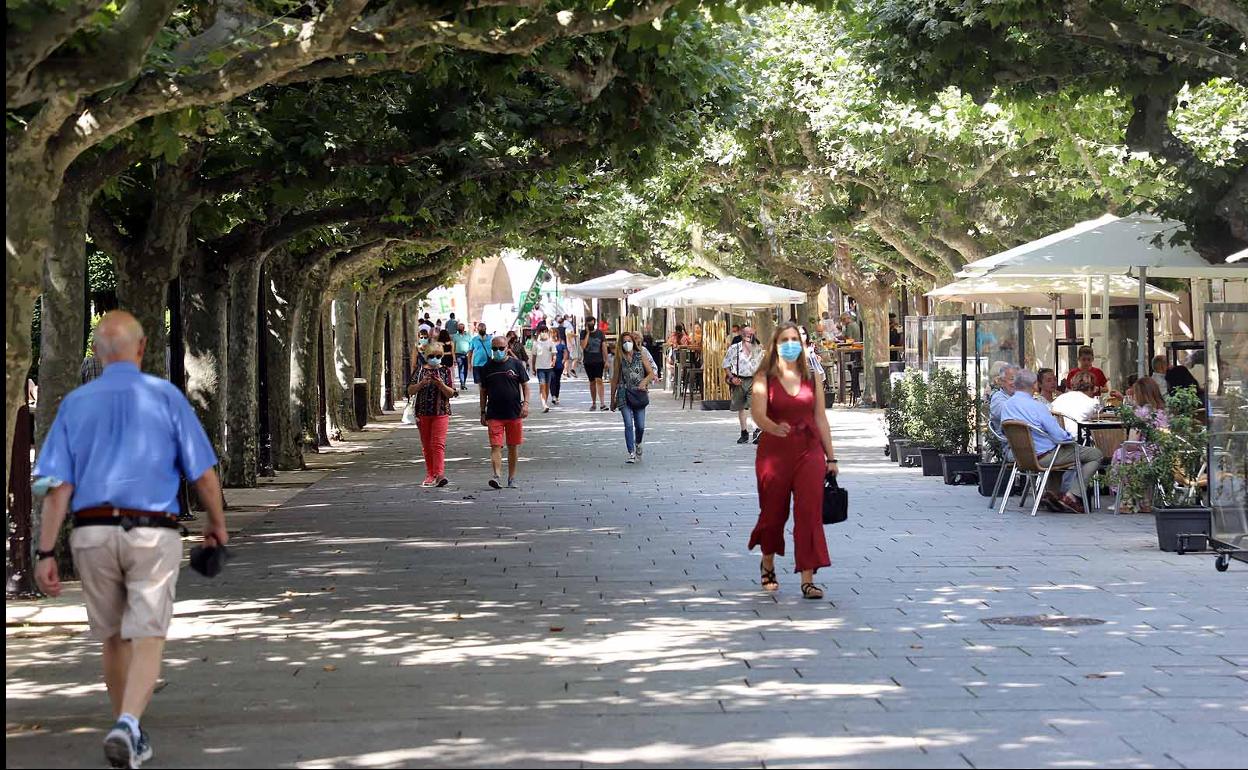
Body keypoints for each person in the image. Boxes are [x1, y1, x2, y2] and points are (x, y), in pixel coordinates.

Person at [32, 311, 228, 770]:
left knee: (113, 636)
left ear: (96, 353)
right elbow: (202, 474)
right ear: (142, 348)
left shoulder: (75, 404)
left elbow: (57, 487)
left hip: (92, 532)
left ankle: (127, 726)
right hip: (152, 532)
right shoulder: (166, 397)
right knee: (149, 632)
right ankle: (128, 724)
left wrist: (45, 551)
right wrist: (216, 523)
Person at [749, 322, 839, 600]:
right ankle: (767, 562)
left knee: (809, 514)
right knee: (773, 514)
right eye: (784, 340)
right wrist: (773, 427)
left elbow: (820, 418)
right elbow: (757, 413)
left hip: (809, 451)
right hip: (774, 454)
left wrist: (831, 457)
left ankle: (807, 579)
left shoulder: (812, 377)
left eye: (794, 340)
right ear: (775, 345)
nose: (790, 344)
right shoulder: (764, 377)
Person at [1001, 369, 1102, 513]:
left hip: (1021, 458)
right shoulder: (1038, 407)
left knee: (1057, 453)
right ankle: (1072, 496)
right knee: (1095, 454)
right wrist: (1069, 438)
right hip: (1044, 457)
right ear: (1035, 384)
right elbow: (1059, 436)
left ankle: (1052, 494)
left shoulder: (1007, 405)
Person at [479, 335, 530, 489]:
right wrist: (482, 411)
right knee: (496, 446)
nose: (498, 351)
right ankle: (496, 476)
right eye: (495, 348)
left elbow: (525, 385)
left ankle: (512, 478)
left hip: (514, 413)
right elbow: (483, 391)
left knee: (513, 446)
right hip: (494, 414)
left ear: (507, 348)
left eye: (501, 348)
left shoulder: (516, 364)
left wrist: (526, 404)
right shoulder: (486, 368)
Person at [409, 342, 457, 487]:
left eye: (438, 356)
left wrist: (441, 385)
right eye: (431, 356)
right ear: (425, 356)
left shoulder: (445, 371)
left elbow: (452, 393)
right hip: (422, 412)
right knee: (427, 445)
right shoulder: (419, 370)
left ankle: (440, 475)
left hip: (441, 412)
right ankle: (430, 474)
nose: (435, 359)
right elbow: (410, 390)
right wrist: (421, 384)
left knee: (438, 444)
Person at [608, 330, 657, 463]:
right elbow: (615, 379)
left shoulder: (640, 355)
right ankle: (631, 452)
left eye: (629, 341)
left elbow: (651, 373)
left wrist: (644, 382)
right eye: (624, 342)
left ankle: (638, 443)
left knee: (640, 426)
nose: (627, 344)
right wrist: (612, 399)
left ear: (633, 342)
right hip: (623, 394)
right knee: (628, 424)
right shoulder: (619, 358)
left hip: (639, 394)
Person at [723, 326, 765, 445]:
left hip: (754, 380)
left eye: (751, 333)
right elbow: (725, 365)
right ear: (742, 334)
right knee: (741, 407)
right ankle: (744, 432)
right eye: (746, 333)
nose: (748, 335)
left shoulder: (758, 349)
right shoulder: (734, 348)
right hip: (739, 380)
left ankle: (757, 431)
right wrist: (732, 378)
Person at [582, 316, 608, 411]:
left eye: (592, 322)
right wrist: (588, 333)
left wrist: (606, 360)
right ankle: (593, 402)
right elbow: (583, 346)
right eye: (589, 323)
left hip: (598, 360)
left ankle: (602, 403)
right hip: (588, 361)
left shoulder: (600, 333)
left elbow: (604, 347)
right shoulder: (583, 333)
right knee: (592, 382)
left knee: (599, 380)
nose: (590, 324)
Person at [531, 326, 557, 412]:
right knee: (542, 385)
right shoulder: (536, 344)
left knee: (547, 386)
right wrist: (533, 367)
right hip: (540, 368)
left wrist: (553, 361)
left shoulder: (551, 343)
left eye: (545, 331)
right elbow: (534, 356)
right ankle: (544, 405)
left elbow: (554, 354)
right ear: (539, 333)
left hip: (549, 368)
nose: (543, 333)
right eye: (542, 331)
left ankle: (545, 402)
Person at [988, 363, 1017, 435]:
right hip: (1009, 439)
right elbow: (1008, 415)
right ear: (1001, 381)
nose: (1015, 382)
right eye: (1012, 379)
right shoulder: (997, 398)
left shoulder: (1018, 396)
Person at [468, 322, 490, 387]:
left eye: (483, 329)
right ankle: (482, 393)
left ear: (485, 329)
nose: (482, 330)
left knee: (487, 383)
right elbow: (470, 352)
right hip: (477, 364)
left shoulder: (490, 338)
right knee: (480, 383)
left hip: (488, 364)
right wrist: (469, 364)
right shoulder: (474, 339)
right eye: (480, 329)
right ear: (477, 330)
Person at [452, 323, 473, 390]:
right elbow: (453, 347)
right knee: (461, 369)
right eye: (459, 328)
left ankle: (464, 382)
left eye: (461, 327)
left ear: (463, 328)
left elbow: (471, 346)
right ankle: (462, 383)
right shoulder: (455, 336)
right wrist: (454, 357)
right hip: (458, 355)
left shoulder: (468, 336)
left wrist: (470, 354)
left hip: (467, 355)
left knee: (466, 369)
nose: (459, 329)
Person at [550, 328, 569, 405]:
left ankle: (557, 396)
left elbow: (565, 352)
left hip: (559, 364)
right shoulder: (548, 342)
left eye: (554, 333)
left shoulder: (561, 342)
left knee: (557, 380)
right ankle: (553, 396)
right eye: (552, 333)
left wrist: (563, 360)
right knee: (552, 379)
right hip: (550, 365)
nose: (553, 334)